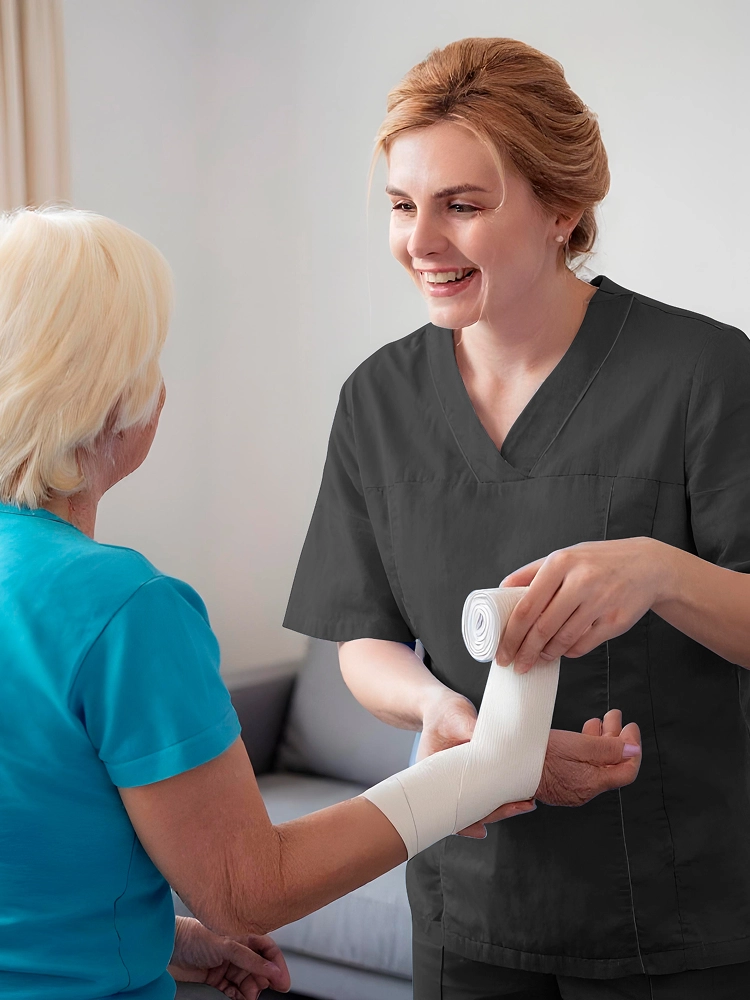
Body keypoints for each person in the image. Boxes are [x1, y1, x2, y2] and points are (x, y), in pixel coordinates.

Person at [0, 207, 642, 1000]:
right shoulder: (124, 610)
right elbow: (248, 890)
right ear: (113, 397)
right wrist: (490, 770)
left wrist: (160, 939)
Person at [283, 36, 750, 1000]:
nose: (421, 242)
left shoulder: (704, 374)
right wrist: (437, 711)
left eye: (462, 205)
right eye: (403, 205)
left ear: (561, 209)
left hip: (676, 912)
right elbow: (363, 640)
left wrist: (659, 571)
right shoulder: (377, 400)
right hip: (467, 895)